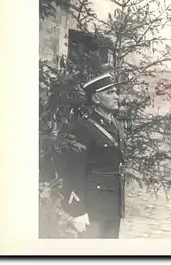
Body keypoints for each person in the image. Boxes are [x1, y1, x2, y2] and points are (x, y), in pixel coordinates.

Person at [61, 73, 127, 238]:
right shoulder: (84, 127)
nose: (116, 96)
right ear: (96, 99)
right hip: (93, 206)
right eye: (109, 92)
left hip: (114, 204)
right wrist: (77, 210)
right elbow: (73, 170)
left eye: (115, 92)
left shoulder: (116, 125)